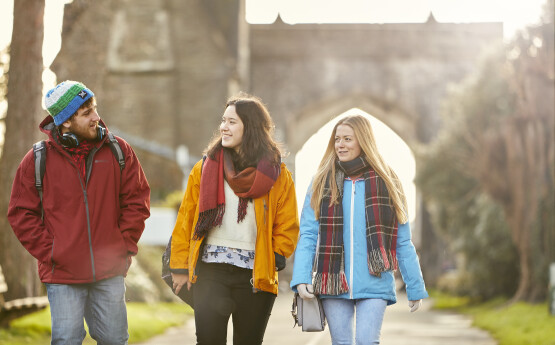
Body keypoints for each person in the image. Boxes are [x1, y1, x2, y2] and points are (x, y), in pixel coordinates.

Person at [8, 80, 151, 344]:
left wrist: (122, 245)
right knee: (67, 340)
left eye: (94, 109)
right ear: (65, 122)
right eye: (86, 113)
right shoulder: (37, 160)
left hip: (109, 272)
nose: (97, 117)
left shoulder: (119, 151)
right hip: (62, 275)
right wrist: (52, 252)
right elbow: (21, 213)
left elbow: (137, 200)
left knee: (114, 340)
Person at [170, 92, 299, 345]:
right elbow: (185, 220)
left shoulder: (278, 175)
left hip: (255, 274)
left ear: (249, 127)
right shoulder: (204, 168)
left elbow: (288, 222)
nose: (223, 127)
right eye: (223, 120)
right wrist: (179, 267)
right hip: (210, 271)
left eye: (231, 122)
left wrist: (276, 255)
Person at [290, 115, 428, 345]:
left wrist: (415, 287)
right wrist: (302, 276)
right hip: (333, 281)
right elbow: (309, 234)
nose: (340, 144)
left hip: (375, 281)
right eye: (337, 139)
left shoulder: (388, 181)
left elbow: (402, 241)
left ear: (363, 141)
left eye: (347, 139)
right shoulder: (321, 181)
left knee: (367, 342)